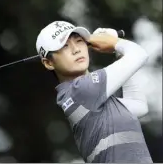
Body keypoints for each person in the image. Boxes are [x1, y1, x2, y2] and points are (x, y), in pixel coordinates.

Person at [35, 21, 153, 163]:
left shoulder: (85, 97)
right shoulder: (82, 90)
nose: (76, 49)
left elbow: (139, 105)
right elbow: (139, 54)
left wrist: (118, 49)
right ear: (49, 63)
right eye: (64, 46)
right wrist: (115, 42)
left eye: (79, 41)